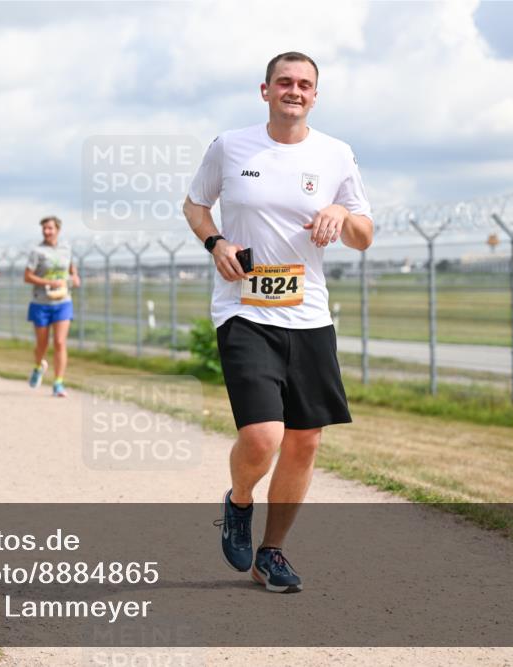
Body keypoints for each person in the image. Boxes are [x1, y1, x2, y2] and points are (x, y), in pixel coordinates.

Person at [184, 52, 373, 593]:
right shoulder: (230, 146)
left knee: (304, 441)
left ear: (316, 95)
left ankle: (273, 552)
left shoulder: (336, 154)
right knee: (264, 435)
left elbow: (364, 235)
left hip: (309, 316)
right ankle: (239, 501)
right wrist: (215, 241)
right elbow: (195, 206)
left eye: (305, 84)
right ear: (264, 90)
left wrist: (343, 217)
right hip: (244, 311)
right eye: (284, 82)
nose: (295, 90)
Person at [23, 216, 79, 398]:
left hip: (63, 302)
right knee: (42, 343)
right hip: (41, 302)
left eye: (50, 228)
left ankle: (58, 383)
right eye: (44, 229)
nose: (47, 231)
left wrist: (75, 278)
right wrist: (48, 282)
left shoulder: (66, 248)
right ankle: (38, 367)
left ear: (58, 230)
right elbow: (27, 276)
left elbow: (71, 269)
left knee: (60, 342)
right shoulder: (37, 251)